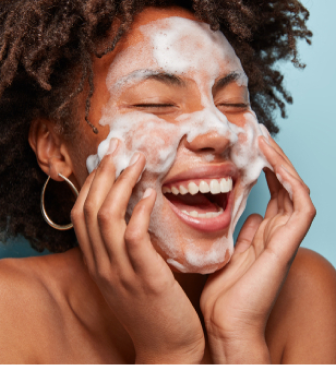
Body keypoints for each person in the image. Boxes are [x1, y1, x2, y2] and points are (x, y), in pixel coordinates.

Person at [0, 0, 336, 364]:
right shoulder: (9, 310)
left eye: (233, 102)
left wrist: (238, 340)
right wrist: (169, 353)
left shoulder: (304, 291)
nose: (218, 131)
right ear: (55, 149)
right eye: (156, 103)